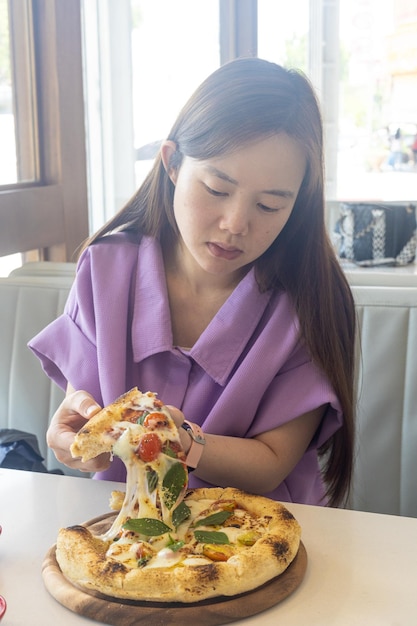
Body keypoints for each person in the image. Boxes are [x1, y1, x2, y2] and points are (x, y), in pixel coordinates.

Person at [29, 57, 356, 508]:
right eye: (218, 190)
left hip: (259, 532)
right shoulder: (104, 271)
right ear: (173, 164)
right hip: (127, 531)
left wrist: (178, 439)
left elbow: (272, 462)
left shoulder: (311, 302)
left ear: (297, 205)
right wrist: (71, 435)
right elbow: (86, 413)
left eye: (269, 206)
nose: (235, 224)